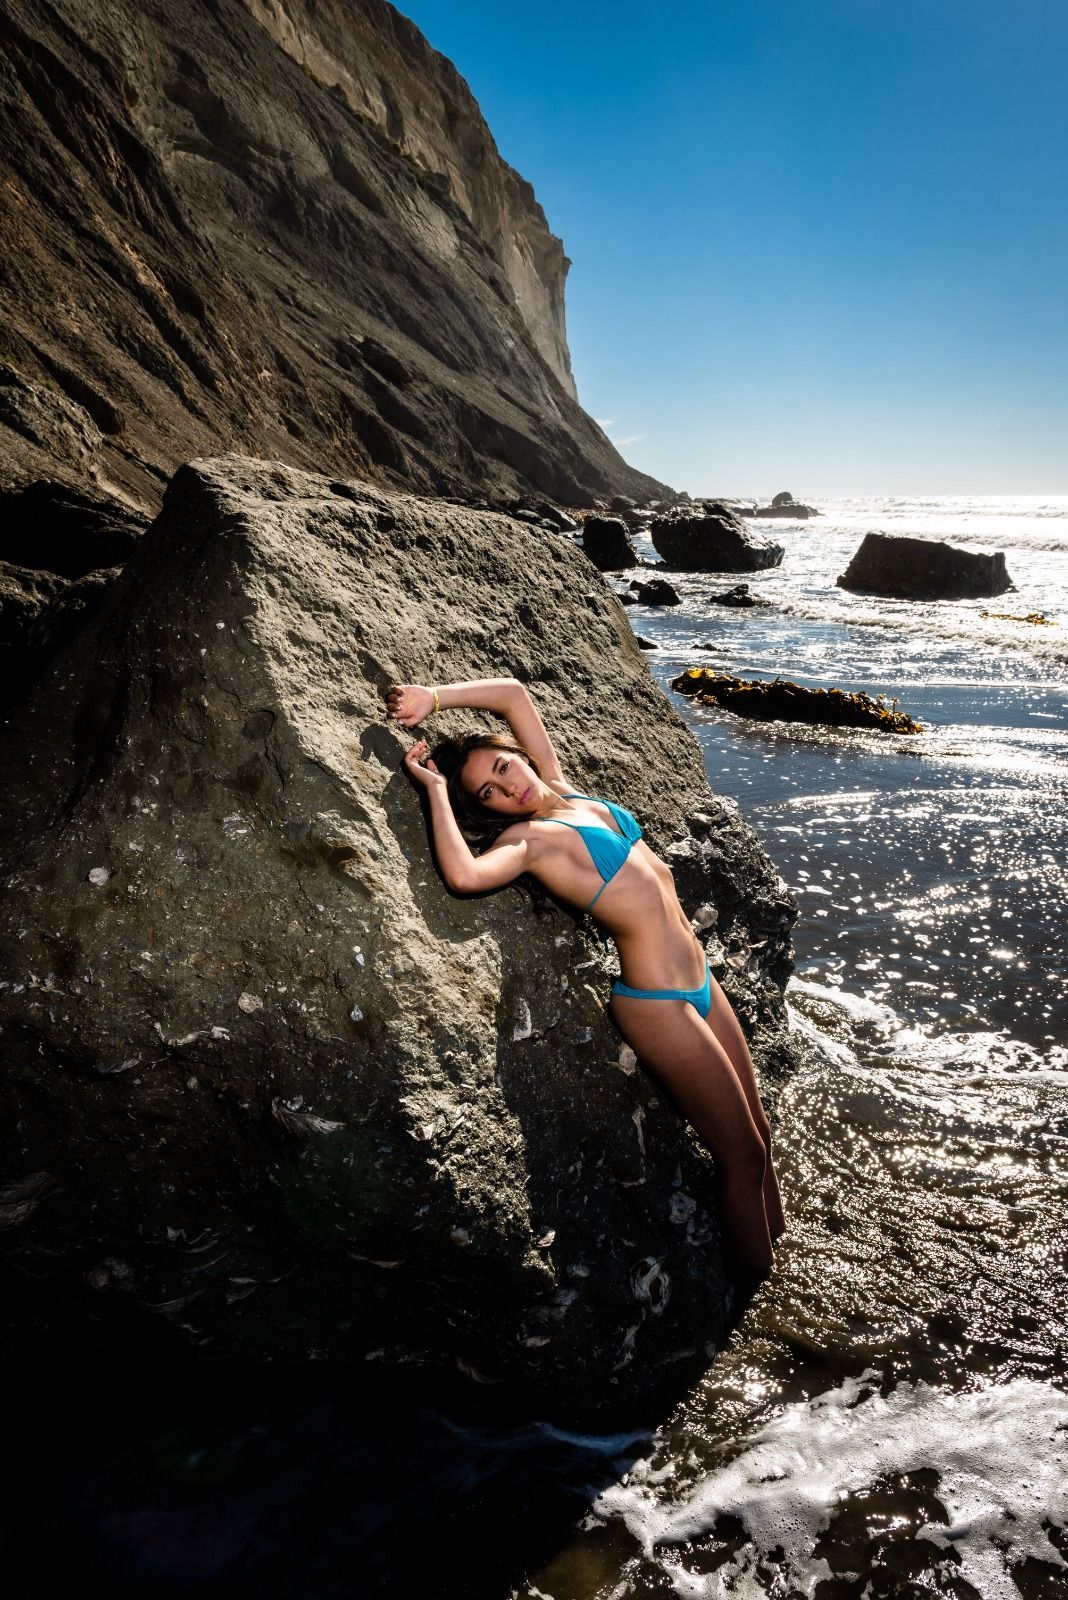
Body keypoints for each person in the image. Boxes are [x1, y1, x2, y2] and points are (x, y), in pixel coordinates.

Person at [387, 675, 785, 1276]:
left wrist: (435, 699)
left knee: (759, 1138)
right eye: (490, 793)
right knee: (742, 1156)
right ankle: (764, 1292)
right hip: (658, 1001)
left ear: (519, 754)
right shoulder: (532, 841)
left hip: (702, 980)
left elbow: (516, 695)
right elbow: (465, 877)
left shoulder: (568, 795)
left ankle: (778, 1254)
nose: (509, 788)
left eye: (504, 767)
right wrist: (439, 791)